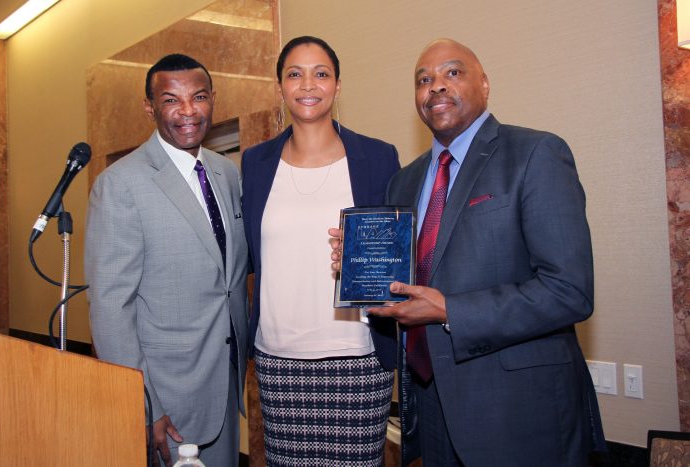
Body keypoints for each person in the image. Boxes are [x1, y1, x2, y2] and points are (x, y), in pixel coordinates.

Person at [331, 39, 606, 466]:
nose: (436, 87)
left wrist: (450, 310)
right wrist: (358, 266)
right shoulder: (404, 182)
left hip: (519, 411)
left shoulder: (535, 153)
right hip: (431, 405)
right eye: (424, 80)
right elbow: (409, 284)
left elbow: (569, 290)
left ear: (485, 84)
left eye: (452, 73)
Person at [241, 36, 400, 466]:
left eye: (321, 73)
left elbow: (397, 257)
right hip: (278, 359)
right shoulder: (255, 164)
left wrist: (365, 256)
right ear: (280, 87)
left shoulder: (378, 157)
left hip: (358, 355)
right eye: (295, 73)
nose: (308, 84)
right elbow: (251, 258)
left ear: (337, 85)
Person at [85, 54, 248, 467]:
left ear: (213, 99)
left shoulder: (226, 172)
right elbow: (110, 306)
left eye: (199, 97)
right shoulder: (121, 184)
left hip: (224, 381)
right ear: (150, 107)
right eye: (172, 100)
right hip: (166, 399)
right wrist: (142, 405)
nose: (188, 111)